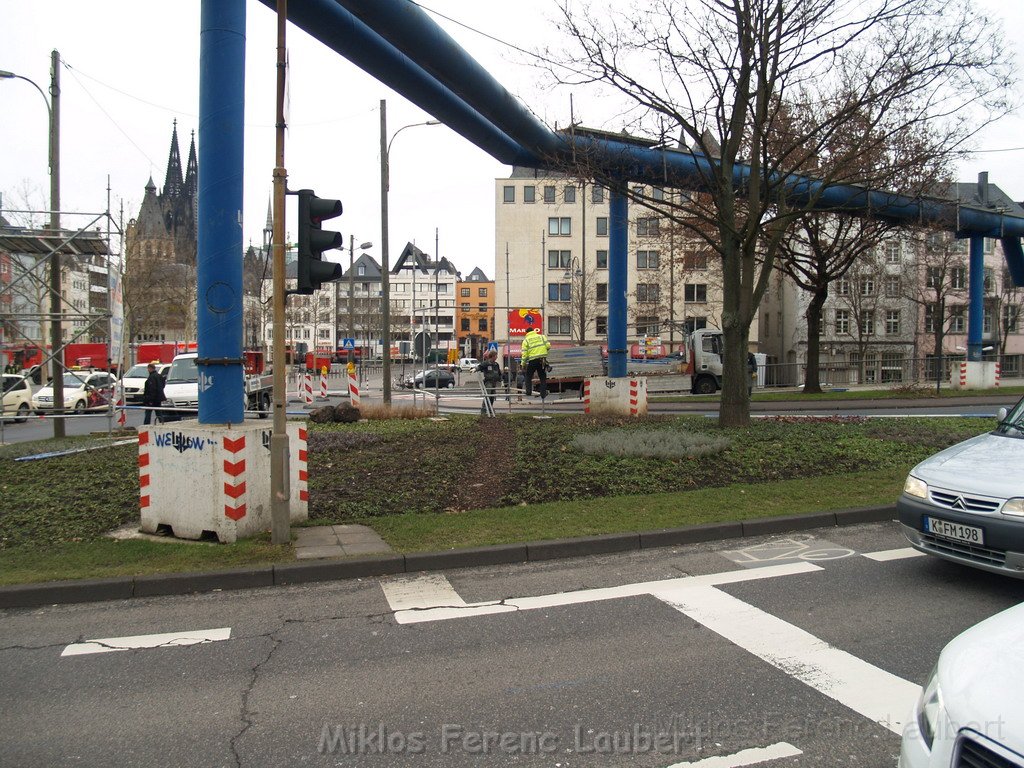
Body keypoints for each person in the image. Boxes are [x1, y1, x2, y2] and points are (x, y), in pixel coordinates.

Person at [520, 326, 551, 398]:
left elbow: (524, 354)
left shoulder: (526, 340)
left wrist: (523, 364)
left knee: (528, 376)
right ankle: (543, 394)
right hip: (542, 360)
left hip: (533, 360)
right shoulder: (542, 337)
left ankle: (528, 392)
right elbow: (548, 346)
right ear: (533, 331)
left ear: (527, 333)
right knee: (542, 377)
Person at [476, 349, 502, 415]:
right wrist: (475, 369)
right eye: (496, 356)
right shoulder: (486, 363)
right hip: (488, 382)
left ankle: (490, 408)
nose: (497, 357)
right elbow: (480, 367)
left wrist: (501, 379)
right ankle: (484, 409)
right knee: (487, 395)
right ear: (492, 356)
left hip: (494, 382)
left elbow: (499, 373)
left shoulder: (496, 364)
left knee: (492, 396)